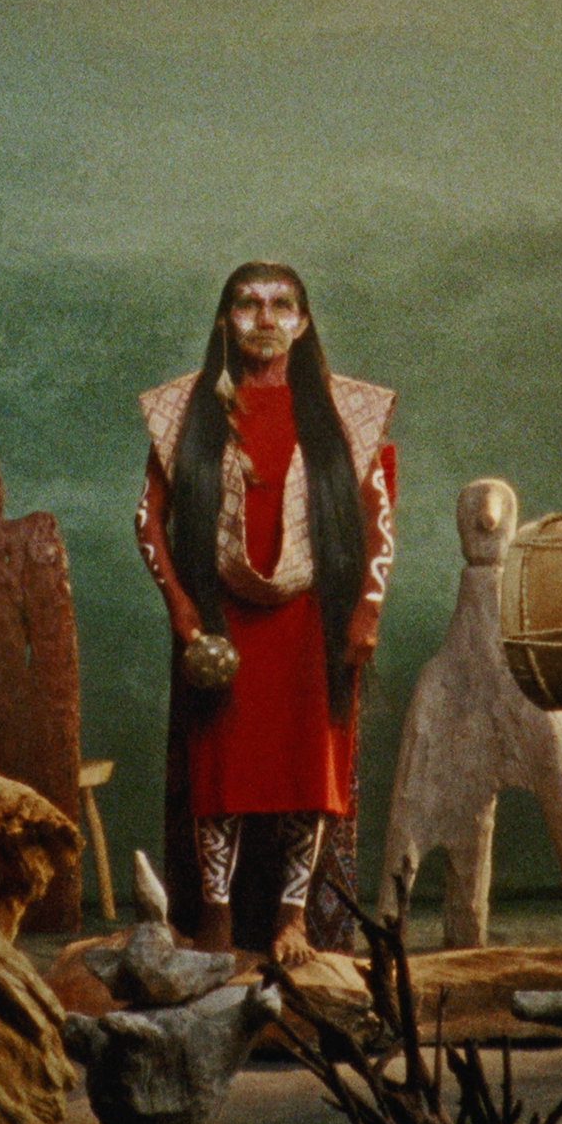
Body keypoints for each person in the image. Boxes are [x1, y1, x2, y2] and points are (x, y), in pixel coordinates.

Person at [135, 262, 395, 965]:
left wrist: (366, 611)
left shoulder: (347, 411)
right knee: (222, 767)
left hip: (313, 618)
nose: (266, 318)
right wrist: (181, 607)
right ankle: (215, 916)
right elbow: (147, 518)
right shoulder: (185, 409)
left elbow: (379, 523)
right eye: (248, 304)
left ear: (303, 323)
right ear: (226, 319)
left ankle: (292, 919)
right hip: (220, 621)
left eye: (282, 305)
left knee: (309, 769)